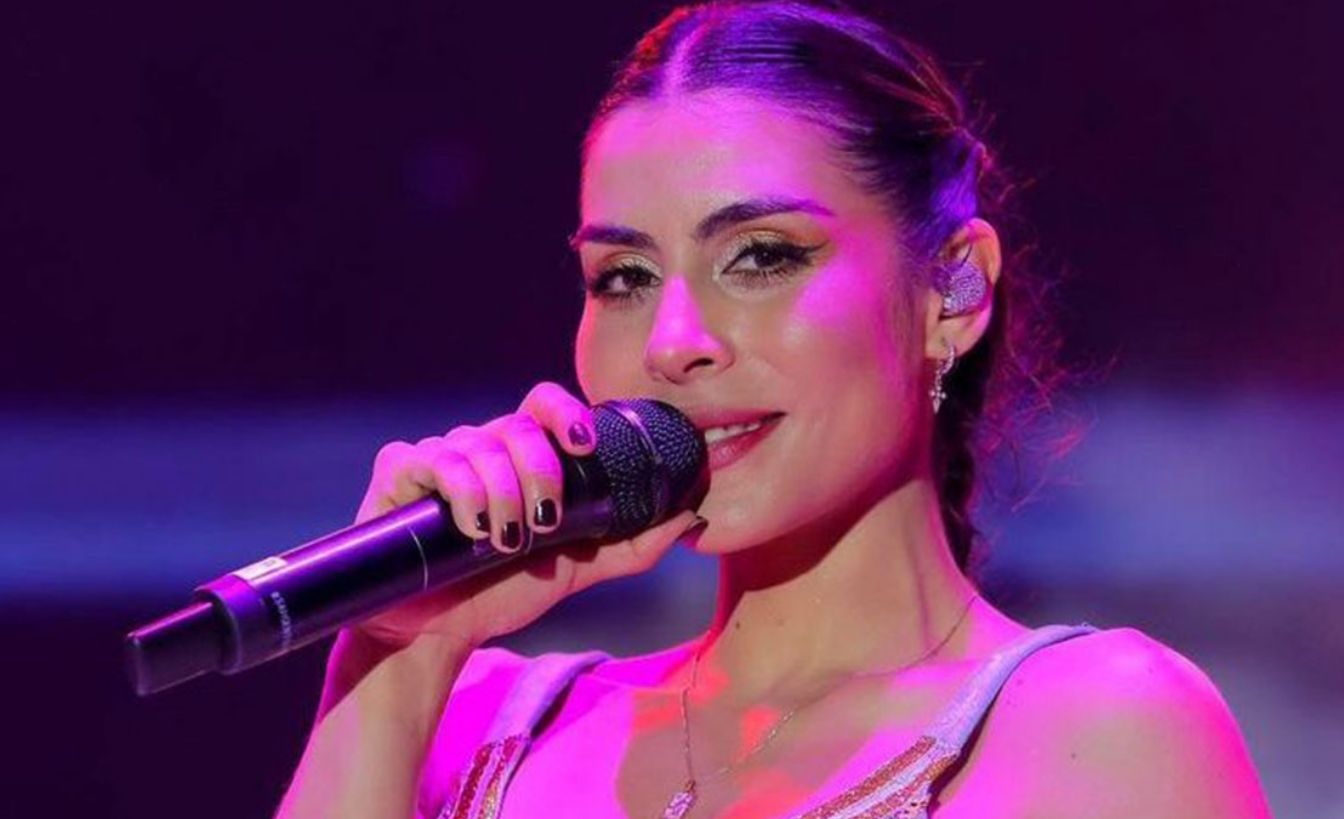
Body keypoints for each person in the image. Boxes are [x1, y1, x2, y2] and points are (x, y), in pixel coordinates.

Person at [275, 2, 1271, 816]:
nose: (672, 341)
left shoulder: (1096, 732)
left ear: (953, 291)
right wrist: (398, 658)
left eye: (760, 257)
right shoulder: (483, 723)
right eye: (623, 276)